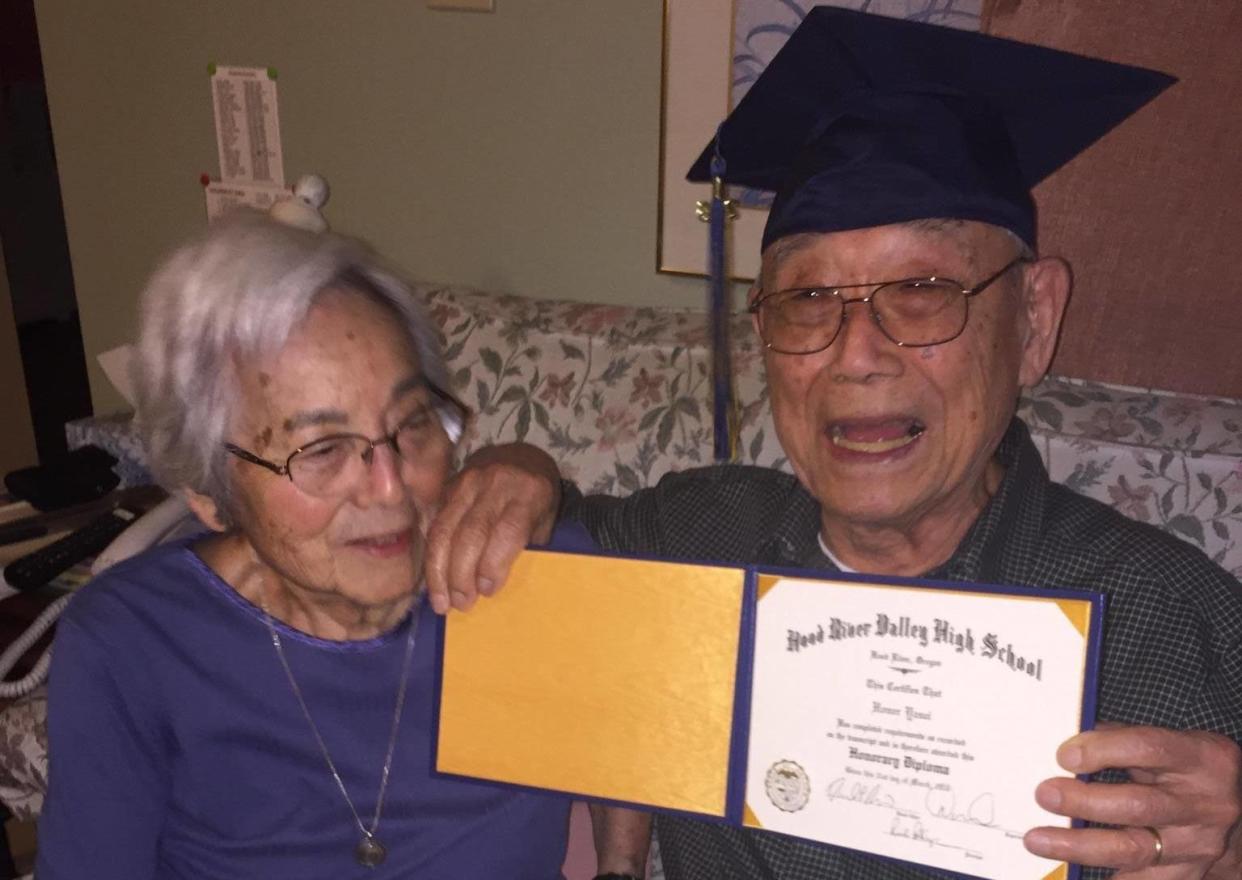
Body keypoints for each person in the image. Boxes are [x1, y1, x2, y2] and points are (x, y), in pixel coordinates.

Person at [423, 8, 1242, 879]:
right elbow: (543, 543)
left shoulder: (1166, 618)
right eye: (807, 301)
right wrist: (520, 468)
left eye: (923, 289)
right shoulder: (697, 534)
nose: (855, 356)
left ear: (1033, 321)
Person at [36, 213, 584, 878]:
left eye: (412, 424)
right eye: (322, 450)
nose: (389, 488)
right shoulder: (131, 643)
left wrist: (618, 864)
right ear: (209, 492)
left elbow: (657, 731)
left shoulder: (532, 570)